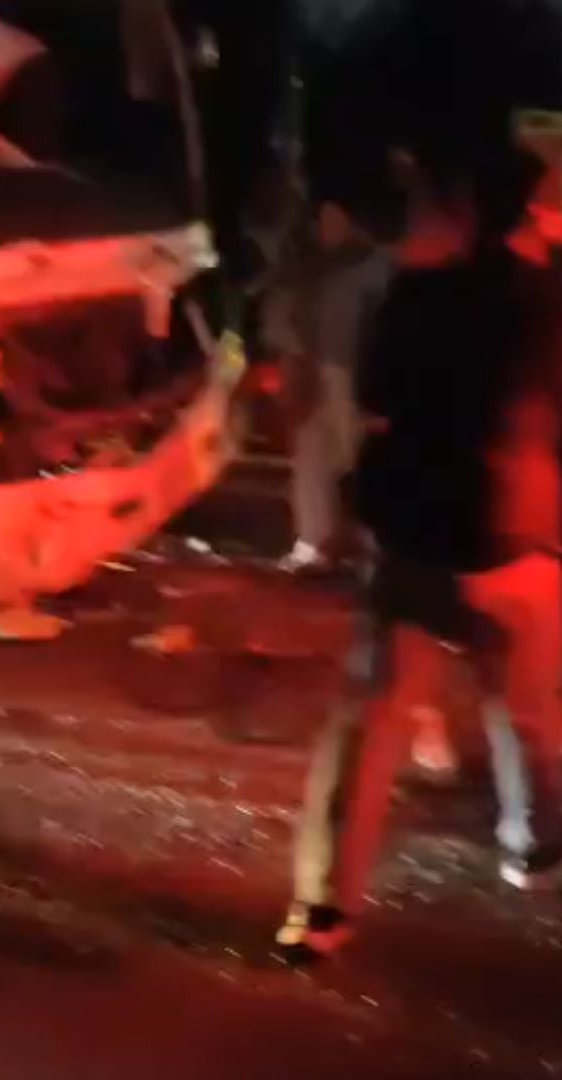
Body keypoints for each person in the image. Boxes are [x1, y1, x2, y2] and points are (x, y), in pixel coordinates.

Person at [276, 155, 562, 964]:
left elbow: (377, 408)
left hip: (419, 543)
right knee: (530, 709)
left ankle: (325, 908)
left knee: (376, 720)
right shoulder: (547, 300)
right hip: (522, 545)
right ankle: (534, 848)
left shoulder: (414, 297)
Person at [269, 201, 391, 574]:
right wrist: (294, 368)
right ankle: (311, 542)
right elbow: (287, 318)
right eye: (324, 220)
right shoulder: (310, 270)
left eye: (336, 219)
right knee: (310, 456)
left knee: (359, 460)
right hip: (315, 371)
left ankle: (372, 548)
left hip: (354, 375)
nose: (328, 229)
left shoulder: (379, 268)